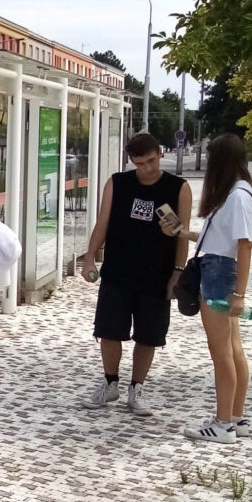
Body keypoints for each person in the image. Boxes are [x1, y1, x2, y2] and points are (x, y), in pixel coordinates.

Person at [79, 132, 191, 417]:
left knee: (149, 335)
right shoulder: (118, 183)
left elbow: (181, 234)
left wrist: (177, 273)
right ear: (131, 161)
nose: (146, 169)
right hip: (118, 270)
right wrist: (90, 257)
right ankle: (109, 382)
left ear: (160, 154)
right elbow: (102, 222)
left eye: (151, 161)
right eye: (139, 163)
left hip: (157, 273)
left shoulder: (177, 188)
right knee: (108, 330)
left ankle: (137, 387)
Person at [177, 134, 252, 444]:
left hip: (219, 272)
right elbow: (221, 238)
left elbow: (244, 245)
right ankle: (235, 418)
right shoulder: (239, 193)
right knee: (232, 348)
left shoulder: (237, 197)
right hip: (219, 267)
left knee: (221, 351)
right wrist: (183, 233)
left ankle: (222, 422)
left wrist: (240, 294)